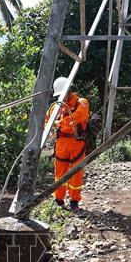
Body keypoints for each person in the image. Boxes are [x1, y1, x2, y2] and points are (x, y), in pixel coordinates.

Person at [48, 77, 89, 211]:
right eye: (59, 95)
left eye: (62, 94)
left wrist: (59, 123)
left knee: (76, 173)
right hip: (61, 143)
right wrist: (54, 127)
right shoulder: (55, 107)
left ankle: (74, 201)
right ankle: (59, 199)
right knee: (60, 173)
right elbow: (47, 122)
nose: (61, 97)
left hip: (77, 143)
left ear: (70, 90)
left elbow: (78, 117)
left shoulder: (81, 103)